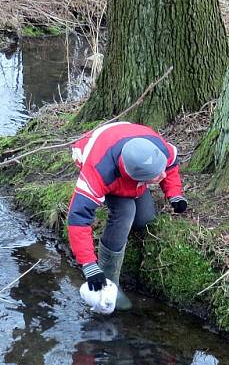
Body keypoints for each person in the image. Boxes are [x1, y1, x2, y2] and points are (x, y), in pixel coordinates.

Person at [67, 121, 188, 310]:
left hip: (127, 140)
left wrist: (174, 194)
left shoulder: (158, 149)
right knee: (125, 211)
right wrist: (89, 265)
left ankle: (135, 192)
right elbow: (78, 217)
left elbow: (171, 165)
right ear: (137, 177)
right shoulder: (99, 172)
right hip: (97, 150)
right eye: (156, 176)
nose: (163, 175)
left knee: (145, 219)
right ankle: (110, 280)